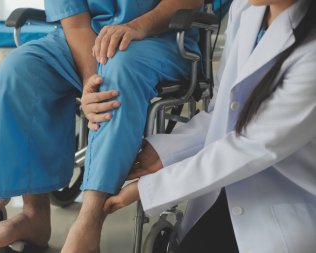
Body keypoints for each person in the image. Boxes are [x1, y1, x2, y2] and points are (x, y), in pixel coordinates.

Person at [0, 0, 204, 253]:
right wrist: (89, 85)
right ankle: (33, 216)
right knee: (17, 71)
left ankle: (90, 221)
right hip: (81, 42)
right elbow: (76, 24)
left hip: (160, 37)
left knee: (116, 76)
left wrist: (137, 27)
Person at [104, 0, 316, 252]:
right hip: (229, 186)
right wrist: (162, 153)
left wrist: (150, 187)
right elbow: (222, 112)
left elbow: (248, 148)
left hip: (284, 201)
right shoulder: (246, 9)